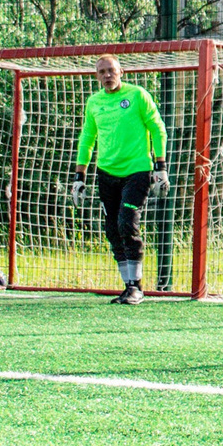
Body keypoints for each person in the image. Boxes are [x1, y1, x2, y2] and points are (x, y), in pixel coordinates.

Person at [73, 55, 166, 305]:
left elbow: (157, 128)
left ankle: (137, 288)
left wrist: (161, 167)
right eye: (102, 72)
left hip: (137, 171)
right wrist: (79, 177)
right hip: (106, 174)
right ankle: (128, 286)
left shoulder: (137, 95)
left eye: (111, 70)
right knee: (113, 229)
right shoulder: (94, 102)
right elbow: (87, 139)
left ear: (121, 71)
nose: (107, 75)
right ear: (96, 76)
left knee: (127, 222)